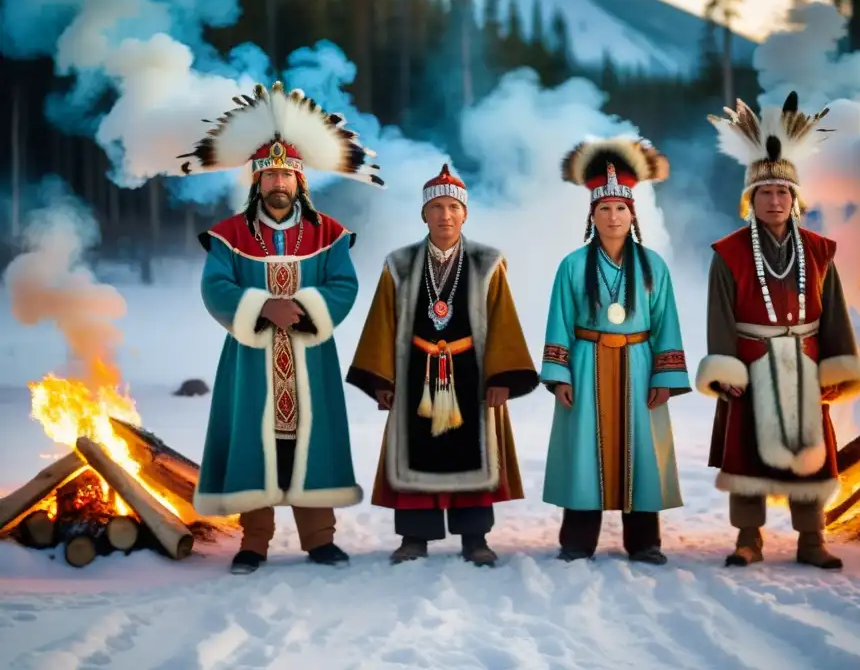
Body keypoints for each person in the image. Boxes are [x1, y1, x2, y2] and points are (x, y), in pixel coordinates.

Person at [178, 81, 385, 574]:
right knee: (255, 442)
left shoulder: (328, 233)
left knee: (312, 444)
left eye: (285, 175)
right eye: (268, 175)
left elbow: (344, 285)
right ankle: (254, 542)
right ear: (256, 180)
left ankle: (319, 538)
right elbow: (216, 288)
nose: (277, 183)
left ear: (300, 181)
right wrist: (263, 308)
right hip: (251, 359)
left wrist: (307, 310)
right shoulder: (229, 235)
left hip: (310, 359)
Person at [696, 91, 860, 570]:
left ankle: (812, 539)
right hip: (750, 363)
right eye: (765, 193)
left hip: (808, 362)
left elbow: (833, 312)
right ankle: (748, 538)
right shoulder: (728, 252)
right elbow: (719, 315)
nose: (775, 200)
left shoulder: (818, 251)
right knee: (746, 451)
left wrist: (838, 367)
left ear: (796, 200)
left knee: (811, 450)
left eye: (783, 192)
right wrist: (724, 367)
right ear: (749, 201)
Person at [346, 163, 538, 567]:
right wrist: (382, 378)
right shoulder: (398, 264)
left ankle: (475, 537)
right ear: (424, 214)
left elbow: (503, 318)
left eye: (453, 207)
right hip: (415, 370)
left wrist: (503, 377)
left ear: (465, 213)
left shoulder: (488, 262)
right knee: (416, 453)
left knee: (475, 456)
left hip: (473, 372)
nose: (445, 215)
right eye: (436, 207)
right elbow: (382, 320)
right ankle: (415, 536)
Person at [539, 137, 691, 565]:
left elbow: (666, 325)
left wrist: (665, 377)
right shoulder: (572, 265)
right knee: (584, 451)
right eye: (604, 208)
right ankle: (577, 542)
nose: (612, 215)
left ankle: (644, 543)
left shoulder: (652, 266)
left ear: (632, 213)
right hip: (587, 364)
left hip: (640, 365)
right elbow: (559, 322)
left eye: (620, 208)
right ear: (593, 214)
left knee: (642, 452)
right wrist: (559, 375)